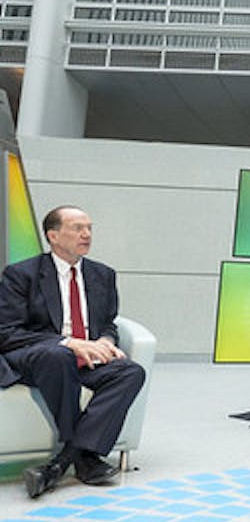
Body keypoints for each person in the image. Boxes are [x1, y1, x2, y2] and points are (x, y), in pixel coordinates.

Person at [0, 206, 146, 499]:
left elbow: (107, 322)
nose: (87, 234)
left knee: (131, 371)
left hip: (86, 354)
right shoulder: (21, 275)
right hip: (35, 353)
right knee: (58, 355)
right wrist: (68, 342)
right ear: (53, 236)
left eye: (89, 228)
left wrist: (105, 340)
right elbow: (8, 332)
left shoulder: (103, 275)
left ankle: (62, 462)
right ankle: (84, 458)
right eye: (77, 228)